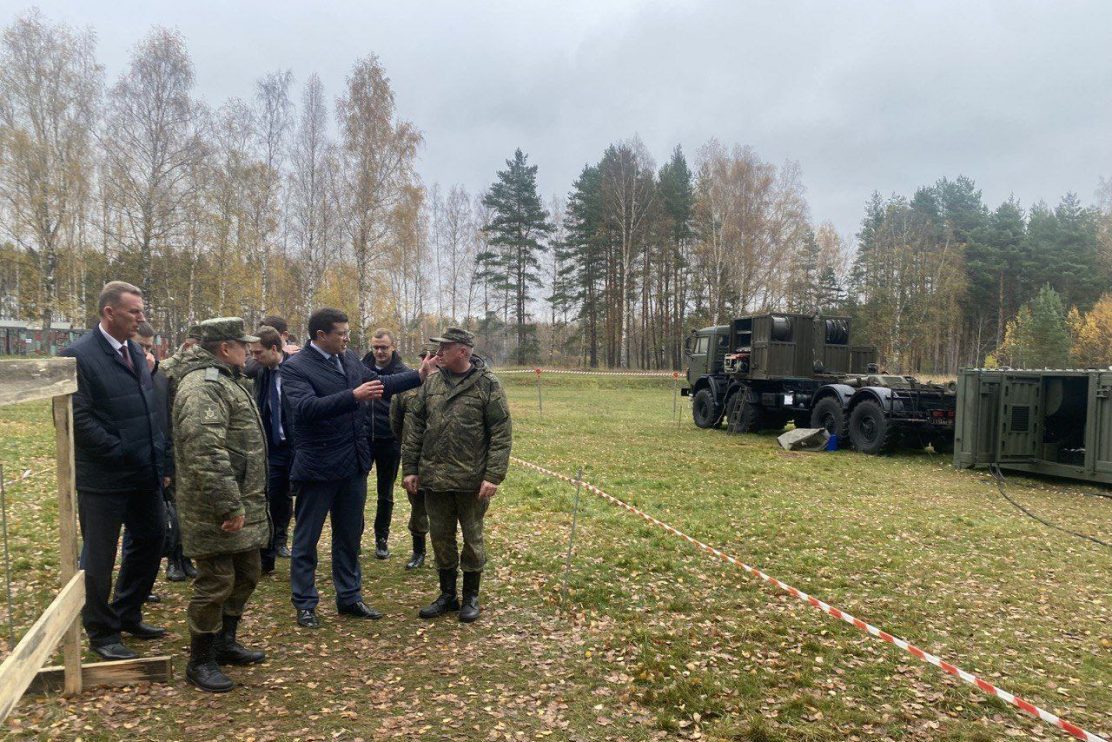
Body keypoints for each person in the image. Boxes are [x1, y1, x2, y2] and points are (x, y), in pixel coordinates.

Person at [281, 308, 438, 628]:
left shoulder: (349, 358)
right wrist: (352, 396)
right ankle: (305, 602)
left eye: (347, 332)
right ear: (321, 336)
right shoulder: (296, 368)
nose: (347, 337)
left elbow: (378, 383)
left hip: (353, 464)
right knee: (307, 537)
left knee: (350, 535)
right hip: (317, 466)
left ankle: (349, 596)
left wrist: (418, 376)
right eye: (341, 332)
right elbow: (305, 409)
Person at [58, 281, 167, 661]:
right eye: (134, 311)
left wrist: (158, 458)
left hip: (143, 472)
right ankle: (102, 632)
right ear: (109, 312)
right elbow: (79, 418)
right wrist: (121, 451)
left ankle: (127, 613)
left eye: (141, 310)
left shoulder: (135, 352)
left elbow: (149, 409)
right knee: (99, 557)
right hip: (104, 478)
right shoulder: (78, 356)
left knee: (153, 539)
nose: (141, 317)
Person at [173, 317, 269, 692]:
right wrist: (228, 505)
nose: (250, 351)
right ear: (226, 348)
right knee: (215, 582)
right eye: (243, 345)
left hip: (241, 500)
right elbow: (205, 450)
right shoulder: (203, 387)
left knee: (247, 572)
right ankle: (200, 660)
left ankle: (225, 642)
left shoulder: (227, 381)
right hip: (214, 506)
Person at [402, 328, 512, 623]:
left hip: (471, 482)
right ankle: (447, 595)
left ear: (462, 351)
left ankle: (471, 597)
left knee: (473, 539)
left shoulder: (488, 385)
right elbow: (414, 426)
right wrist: (410, 468)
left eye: (444, 349)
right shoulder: (432, 384)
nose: (437, 355)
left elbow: (501, 433)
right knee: (440, 538)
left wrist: (493, 475)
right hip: (435, 479)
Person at [359, 328, 408, 560]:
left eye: (384, 347)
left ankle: (381, 539)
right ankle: (354, 537)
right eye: (376, 347)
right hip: (362, 440)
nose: (379, 351)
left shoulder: (403, 373)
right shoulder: (359, 368)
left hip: (389, 441)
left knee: (385, 493)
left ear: (393, 347)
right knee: (355, 491)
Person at [250, 325, 295, 573]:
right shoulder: (262, 371)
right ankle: (266, 555)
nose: (254, 357)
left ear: (275, 349)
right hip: (273, 448)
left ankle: (282, 541)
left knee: (288, 496)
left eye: (258, 352)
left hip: (296, 446)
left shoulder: (295, 369)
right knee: (269, 496)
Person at [390, 350, 432, 570]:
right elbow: (396, 423)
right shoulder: (406, 387)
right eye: (427, 356)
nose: (432, 360)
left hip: (447, 461)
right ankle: (418, 551)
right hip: (416, 459)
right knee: (418, 508)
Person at [244, 315, 300, 379]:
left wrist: (280, 354)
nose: (263, 337)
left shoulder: (297, 356)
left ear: (284, 335)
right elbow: (248, 369)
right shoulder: (257, 351)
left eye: (270, 333)